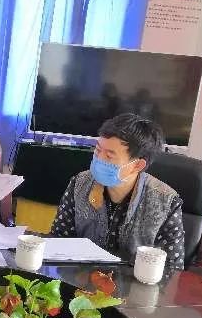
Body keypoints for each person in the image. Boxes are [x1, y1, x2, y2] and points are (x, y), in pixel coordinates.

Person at [50, 113, 185, 271]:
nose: (99, 159)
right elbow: (59, 239)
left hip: (134, 284)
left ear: (137, 165)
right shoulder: (79, 184)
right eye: (97, 151)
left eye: (109, 156)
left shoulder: (167, 202)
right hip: (81, 279)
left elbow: (172, 269)